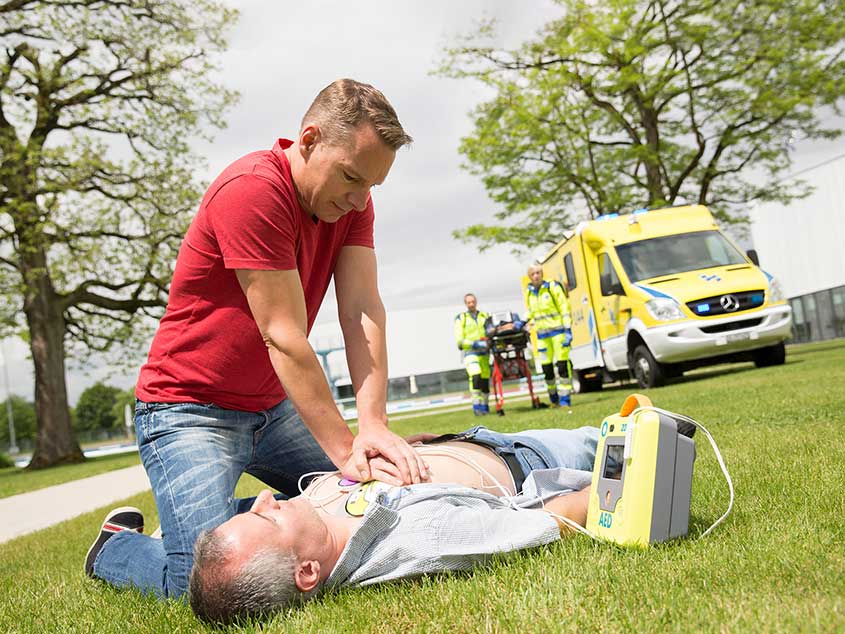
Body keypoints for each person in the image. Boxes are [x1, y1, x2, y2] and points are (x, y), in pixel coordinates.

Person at [84, 79, 429, 599]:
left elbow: (360, 309)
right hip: (188, 411)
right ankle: (115, 546)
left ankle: (222, 522)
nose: (359, 200)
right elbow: (282, 335)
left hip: (275, 406)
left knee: (362, 506)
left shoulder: (355, 204)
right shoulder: (254, 189)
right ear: (309, 140)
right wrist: (345, 453)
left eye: (373, 187)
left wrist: (373, 426)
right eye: (351, 177)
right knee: (203, 583)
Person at [187, 423, 600, 624]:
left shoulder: (317, 524)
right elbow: (554, 520)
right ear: (308, 571)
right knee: (632, 431)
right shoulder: (420, 540)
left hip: (461, 440)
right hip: (529, 456)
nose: (266, 498)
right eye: (267, 516)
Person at [524, 265, 573, 408]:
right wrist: (522, 321)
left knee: (563, 366)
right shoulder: (530, 292)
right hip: (542, 336)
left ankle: (565, 399)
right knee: (547, 369)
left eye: (539, 273)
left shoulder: (552, 287)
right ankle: (553, 398)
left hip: (558, 333)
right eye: (533, 274)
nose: (536, 276)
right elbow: (531, 312)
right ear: (530, 276)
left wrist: (568, 329)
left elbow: (564, 308)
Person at [454, 293, 491, 415]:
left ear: (476, 302)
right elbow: (460, 340)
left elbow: (490, 331)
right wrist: (474, 343)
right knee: (475, 375)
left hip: (484, 353)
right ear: (466, 304)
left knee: (485, 379)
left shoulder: (485, 316)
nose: (471, 304)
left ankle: (485, 405)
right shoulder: (461, 318)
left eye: (473, 301)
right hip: (470, 352)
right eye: (468, 302)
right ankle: (477, 406)